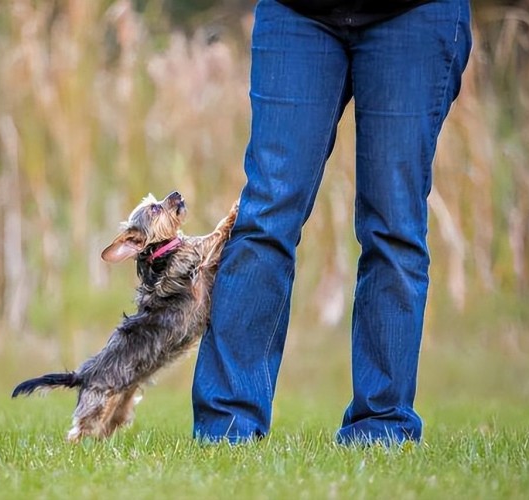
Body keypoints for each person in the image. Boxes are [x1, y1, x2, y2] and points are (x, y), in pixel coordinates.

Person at [191, 0, 472, 445]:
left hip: (415, 14)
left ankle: (382, 429)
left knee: (394, 224)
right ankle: (226, 427)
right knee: (266, 215)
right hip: (298, 12)